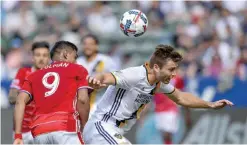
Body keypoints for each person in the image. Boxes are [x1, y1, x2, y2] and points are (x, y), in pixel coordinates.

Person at [83, 44, 233, 144]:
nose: (174, 74)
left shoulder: (158, 83)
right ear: (156, 67)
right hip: (101, 126)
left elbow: (181, 97)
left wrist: (210, 104)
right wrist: (96, 80)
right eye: (171, 69)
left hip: (115, 131)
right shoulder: (135, 75)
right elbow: (105, 76)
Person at [13, 41, 91, 144]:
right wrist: (84, 126)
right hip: (66, 128)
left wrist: (18, 135)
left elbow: (19, 101)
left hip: (39, 132)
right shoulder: (77, 69)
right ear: (65, 54)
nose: (76, 61)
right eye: (75, 57)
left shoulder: (34, 76)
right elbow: (82, 99)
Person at [9, 41, 50, 144]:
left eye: (45, 55)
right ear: (32, 57)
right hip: (23, 131)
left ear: (49, 58)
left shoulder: (52, 77)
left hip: (43, 130)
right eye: (38, 55)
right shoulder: (23, 72)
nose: (41, 58)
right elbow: (12, 98)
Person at [77, 34, 118, 118]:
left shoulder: (106, 61)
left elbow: (117, 79)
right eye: (85, 44)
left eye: (91, 44)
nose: (87, 47)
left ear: (96, 46)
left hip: (101, 105)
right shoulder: (78, 62)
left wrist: (103, 81)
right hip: (81, 106)